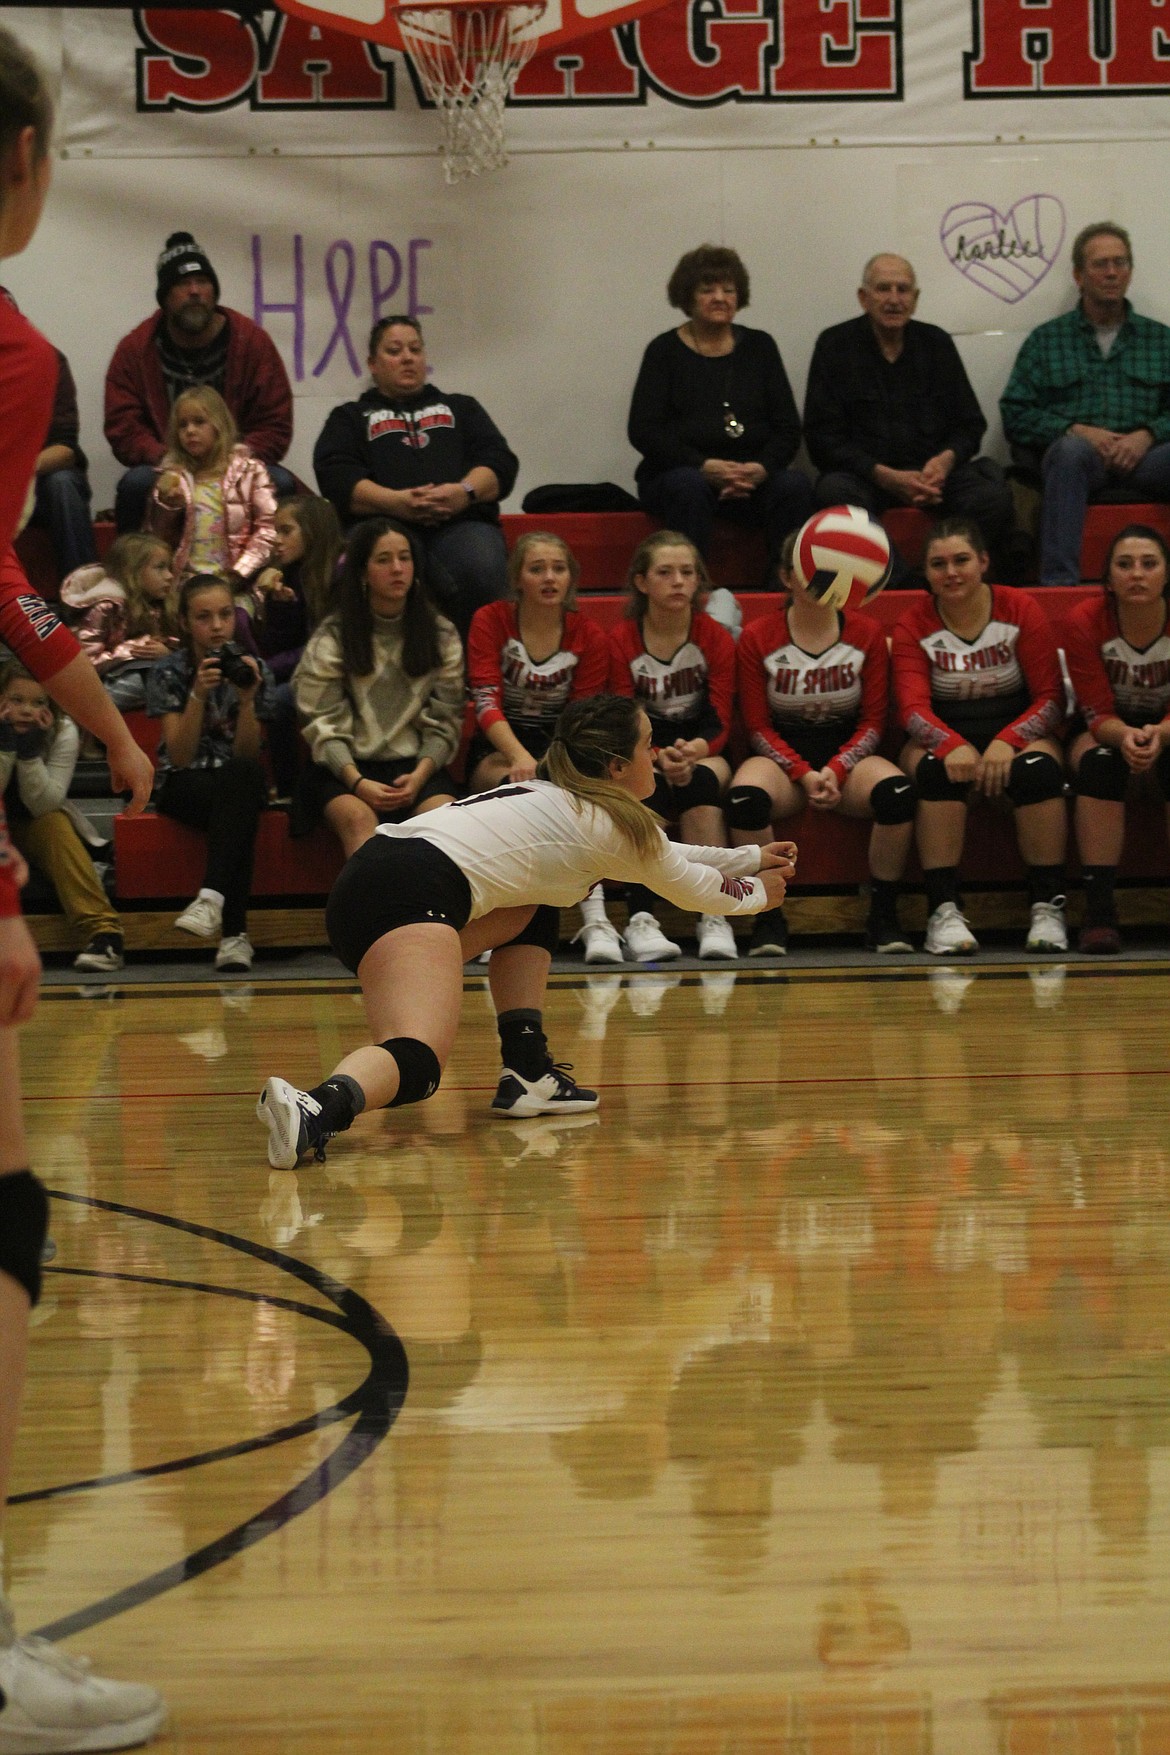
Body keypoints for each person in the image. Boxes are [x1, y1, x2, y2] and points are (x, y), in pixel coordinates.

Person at [0, 25, 165, 1751]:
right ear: (28, 161)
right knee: (3, 1204)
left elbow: (1, 579)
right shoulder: (13, 351)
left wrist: (100, 720)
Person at [256, 693, 795, 1169]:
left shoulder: (563, 801)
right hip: (408, 893)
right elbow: (688, 887)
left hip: (377, 879)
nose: (655, 754)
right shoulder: (605, 824)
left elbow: (664, 854)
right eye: (648, 744)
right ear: (615, 765)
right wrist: (759, 895)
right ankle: (316, 1108)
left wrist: (747, 857)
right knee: (417, 1061)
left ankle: (528, 1071)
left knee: (538, 901)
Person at [728, 532, 915, 956]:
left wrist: (837, 769)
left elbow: (873, 721)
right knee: (744, 799)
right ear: (785, 578)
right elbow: (757, 726)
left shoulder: (866, 633)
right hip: (781, 758)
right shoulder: (758, 636)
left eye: (829, 570)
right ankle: (768, 919)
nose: (819, 580)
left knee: (898, 793)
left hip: (847, 754)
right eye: (806, 570)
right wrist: (803, 772)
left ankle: (884, 916)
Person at [892, 518, 1068, 956]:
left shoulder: (1020, 608)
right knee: (934, 774)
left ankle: (1047, 906)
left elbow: (1051, 698)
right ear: (927, 573)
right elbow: (911, 708)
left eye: (961, 560)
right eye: (938, 564)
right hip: (945, 735)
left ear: (984, 562)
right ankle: (943, 910)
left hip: (1017, 730)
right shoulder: (914, 623)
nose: (950, 572)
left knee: (1039, 772)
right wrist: (951, 745)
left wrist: (1009, 740)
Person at [577, 531, 738, 962]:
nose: (679, 582)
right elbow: (624, 715)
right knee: (643, 792)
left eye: (687, 573)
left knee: (702, 785)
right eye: (665, 572)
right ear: (642, 582)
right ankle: (641, 918)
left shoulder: (715, 638)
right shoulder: (623, 640)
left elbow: (722, 714)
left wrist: (694, 751)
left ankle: (713, 914)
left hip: (701, 744)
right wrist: (653, 755)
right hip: (641, 746)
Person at [804, 253, 1016, 580]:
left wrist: (943, 463)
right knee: (833, 493)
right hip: (868, 477)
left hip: (934, 477)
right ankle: (906, 582)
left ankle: (955, 574)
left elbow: (970, 424)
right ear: (863, 298)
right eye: (883, 289)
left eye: (903, 290)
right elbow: (822, 438)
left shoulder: (937, 344)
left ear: (915, 300)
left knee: (993, 498)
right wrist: (884, 475)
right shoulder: (835, 346)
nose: (893, 299)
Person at [313, 315, 518, 637]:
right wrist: (396, 503)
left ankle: (475, 675)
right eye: (394, 350)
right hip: (381, 524)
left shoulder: (461, 408)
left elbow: (500, 463)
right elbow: (336, 477)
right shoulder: (349, 418)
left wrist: (464, 492)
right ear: (373, 363)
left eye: (415, 349)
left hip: (462, 522)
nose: (407, 357)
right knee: (369, 564)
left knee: (481, 566)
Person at [1000, 223, 1170, 586]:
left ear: (1130, 272)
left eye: (1120, 263)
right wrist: (1075, 431)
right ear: (1079, 275)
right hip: (1080, 464)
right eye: (1100, 264)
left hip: (1148, 458)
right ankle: (1060, 586)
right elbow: (1015, 412)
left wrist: (1147, 434)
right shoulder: (1047, 340)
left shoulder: (1161, 339)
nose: (1111, 272)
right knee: (1068, 453)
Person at [627, 244, 812, 569]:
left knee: (793, 486)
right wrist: (704, 466)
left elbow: (787, 428)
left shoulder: (761, 346)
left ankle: (785, 587)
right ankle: (691, 587)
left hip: (753, 477)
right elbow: (644, 431)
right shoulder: (663, 351)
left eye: (729, 290)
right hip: (683, 476)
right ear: (687, 297)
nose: (720, 298)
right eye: (707, 289)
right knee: (688, 485)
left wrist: (761, 469)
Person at [291, 517, 463, 858]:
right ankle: (371, 912)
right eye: (384, 560)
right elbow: (320, 721)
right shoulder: (334, 634)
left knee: (445, 823)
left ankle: (426, 912)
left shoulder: (441, 633)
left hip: (417, 766)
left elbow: (447, 720)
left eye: (405, 558)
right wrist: (356, 781)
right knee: (359, 821)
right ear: (362, 573)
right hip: (345, 767)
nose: (397, 568)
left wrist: (419, 775)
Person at [104, 229, 294, 533]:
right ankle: (133, 576)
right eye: (182, 283)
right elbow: (122, 427)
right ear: (164, 298)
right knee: (135, 484)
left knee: (280, 483)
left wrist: (235, 459)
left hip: (237, 462)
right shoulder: (136, 349)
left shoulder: (251, 342)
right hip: (167, 464)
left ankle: (266, 577)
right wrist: (164, 457)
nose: (195, 291)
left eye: (203, 282)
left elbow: (275, 424)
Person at [147, 573, 276, 973]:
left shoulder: (252, 670)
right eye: (204, 617)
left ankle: (211, 902)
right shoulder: (168, 671)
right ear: (185, 622)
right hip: (184, 784)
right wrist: (198, 693)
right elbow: (180, 757)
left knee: (243, 775)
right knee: (240, 799)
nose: (217, 626)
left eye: (225, 614)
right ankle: (234, 933)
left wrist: (248, 701)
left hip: (233, 781)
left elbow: (248, 752)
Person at [1064, 524, 1170, 953]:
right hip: (1106, 728)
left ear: (1166, 573)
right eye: (1124, 565)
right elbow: (1094, 709)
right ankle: (1100, 912)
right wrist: (1127, 735)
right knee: (1101, 764)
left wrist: (1160, 734)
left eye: (1149, 564)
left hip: (1165, 727)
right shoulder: (1085, 621)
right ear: (1108, 578)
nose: (1137, 574)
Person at [0, 658, 125, 973]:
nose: (28, 710)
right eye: (17, 700)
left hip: (34, 822)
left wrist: (28, 753)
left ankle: (105, 935)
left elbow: (44, 803)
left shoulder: (62, 730)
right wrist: (4, 746)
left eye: (38, 701)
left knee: (55, 823)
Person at [466, 530, 610, 790]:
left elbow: (580, 715)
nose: (549, 578)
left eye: (559, 568)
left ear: (570, 578)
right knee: (518, 790)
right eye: (536, 569)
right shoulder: (490, 620)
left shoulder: (589, 635)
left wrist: (551, 763)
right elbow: (485, 700)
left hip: (561, 744)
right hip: (498, 746)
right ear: (517, 579)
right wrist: (519, 756)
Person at [242, 493, 341, 796]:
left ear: (312, 530)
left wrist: (265, 669)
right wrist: (281, 604)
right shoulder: (293, 573)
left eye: (286, 531)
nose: (277, 540)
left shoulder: (341, 570)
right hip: (312, 668)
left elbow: (327, 647)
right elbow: (277, 644)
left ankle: (292, 791)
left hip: (345, 669)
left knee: (279, 699)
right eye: (275, 531)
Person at [0, 292, 96, 583]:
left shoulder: (46, 361)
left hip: (36, 482)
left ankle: (86, 602)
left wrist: (19, 468)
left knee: (63, 483)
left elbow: (66, 448)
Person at [146, 383, 277, 587]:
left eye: (199, 422)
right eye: (182, 425)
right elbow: (155, 540)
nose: (190, 431)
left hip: (236, 582)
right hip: (185, 584)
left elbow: (268, 528)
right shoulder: (173, 476)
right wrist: (168, 506)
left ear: (219, 425)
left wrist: (240, 572)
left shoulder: (250, 472)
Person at [60, 531, 178, 710]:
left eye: (169, 568)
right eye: (160, 568)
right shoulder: (105, 607)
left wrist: (167, 651)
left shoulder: (160, 605)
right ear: (132, 571)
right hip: (98, 684)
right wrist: (133, 649)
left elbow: (179, 644)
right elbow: (86, 663)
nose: (169, 576)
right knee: (146, 681)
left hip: (140, 674)